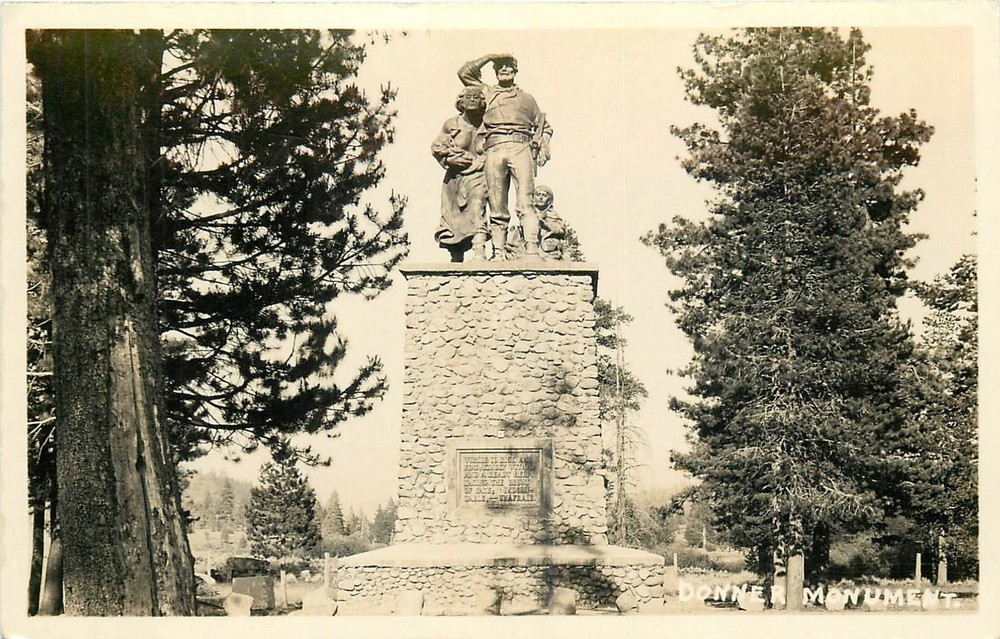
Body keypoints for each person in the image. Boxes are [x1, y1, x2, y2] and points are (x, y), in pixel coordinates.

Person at [458, 53, 552, 259]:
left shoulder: (528, 99)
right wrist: (492, 56)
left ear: (515, 70)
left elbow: (545, 127)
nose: (503, 69)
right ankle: (498, 252)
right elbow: (464, 73)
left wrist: (543, 146)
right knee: (496, 203)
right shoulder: (488, 93)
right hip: (494, 147)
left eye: (508, 66)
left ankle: (532, 250)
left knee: (526, 202)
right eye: (499, 67)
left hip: (521, 147)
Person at [431, 87, 489, 262]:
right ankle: (456, 257)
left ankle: (479, 250)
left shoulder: (488, 124)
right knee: (453, 216)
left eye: (476, 97)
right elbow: (437, 147)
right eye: (468, 97)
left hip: (479, 174)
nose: (472, 100)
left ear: (482, 101)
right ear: (461, 102)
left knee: (477, 204)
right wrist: (449, 161)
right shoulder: (452, 124)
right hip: (455, 179)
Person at [533, 185, 567, 260]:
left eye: (544, 195)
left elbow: (561, 230)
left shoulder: (552, 214)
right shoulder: (530, 213)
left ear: (549, 199)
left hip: (548, 243)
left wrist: (546, 223)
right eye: (538, 195)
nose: (541, 198)